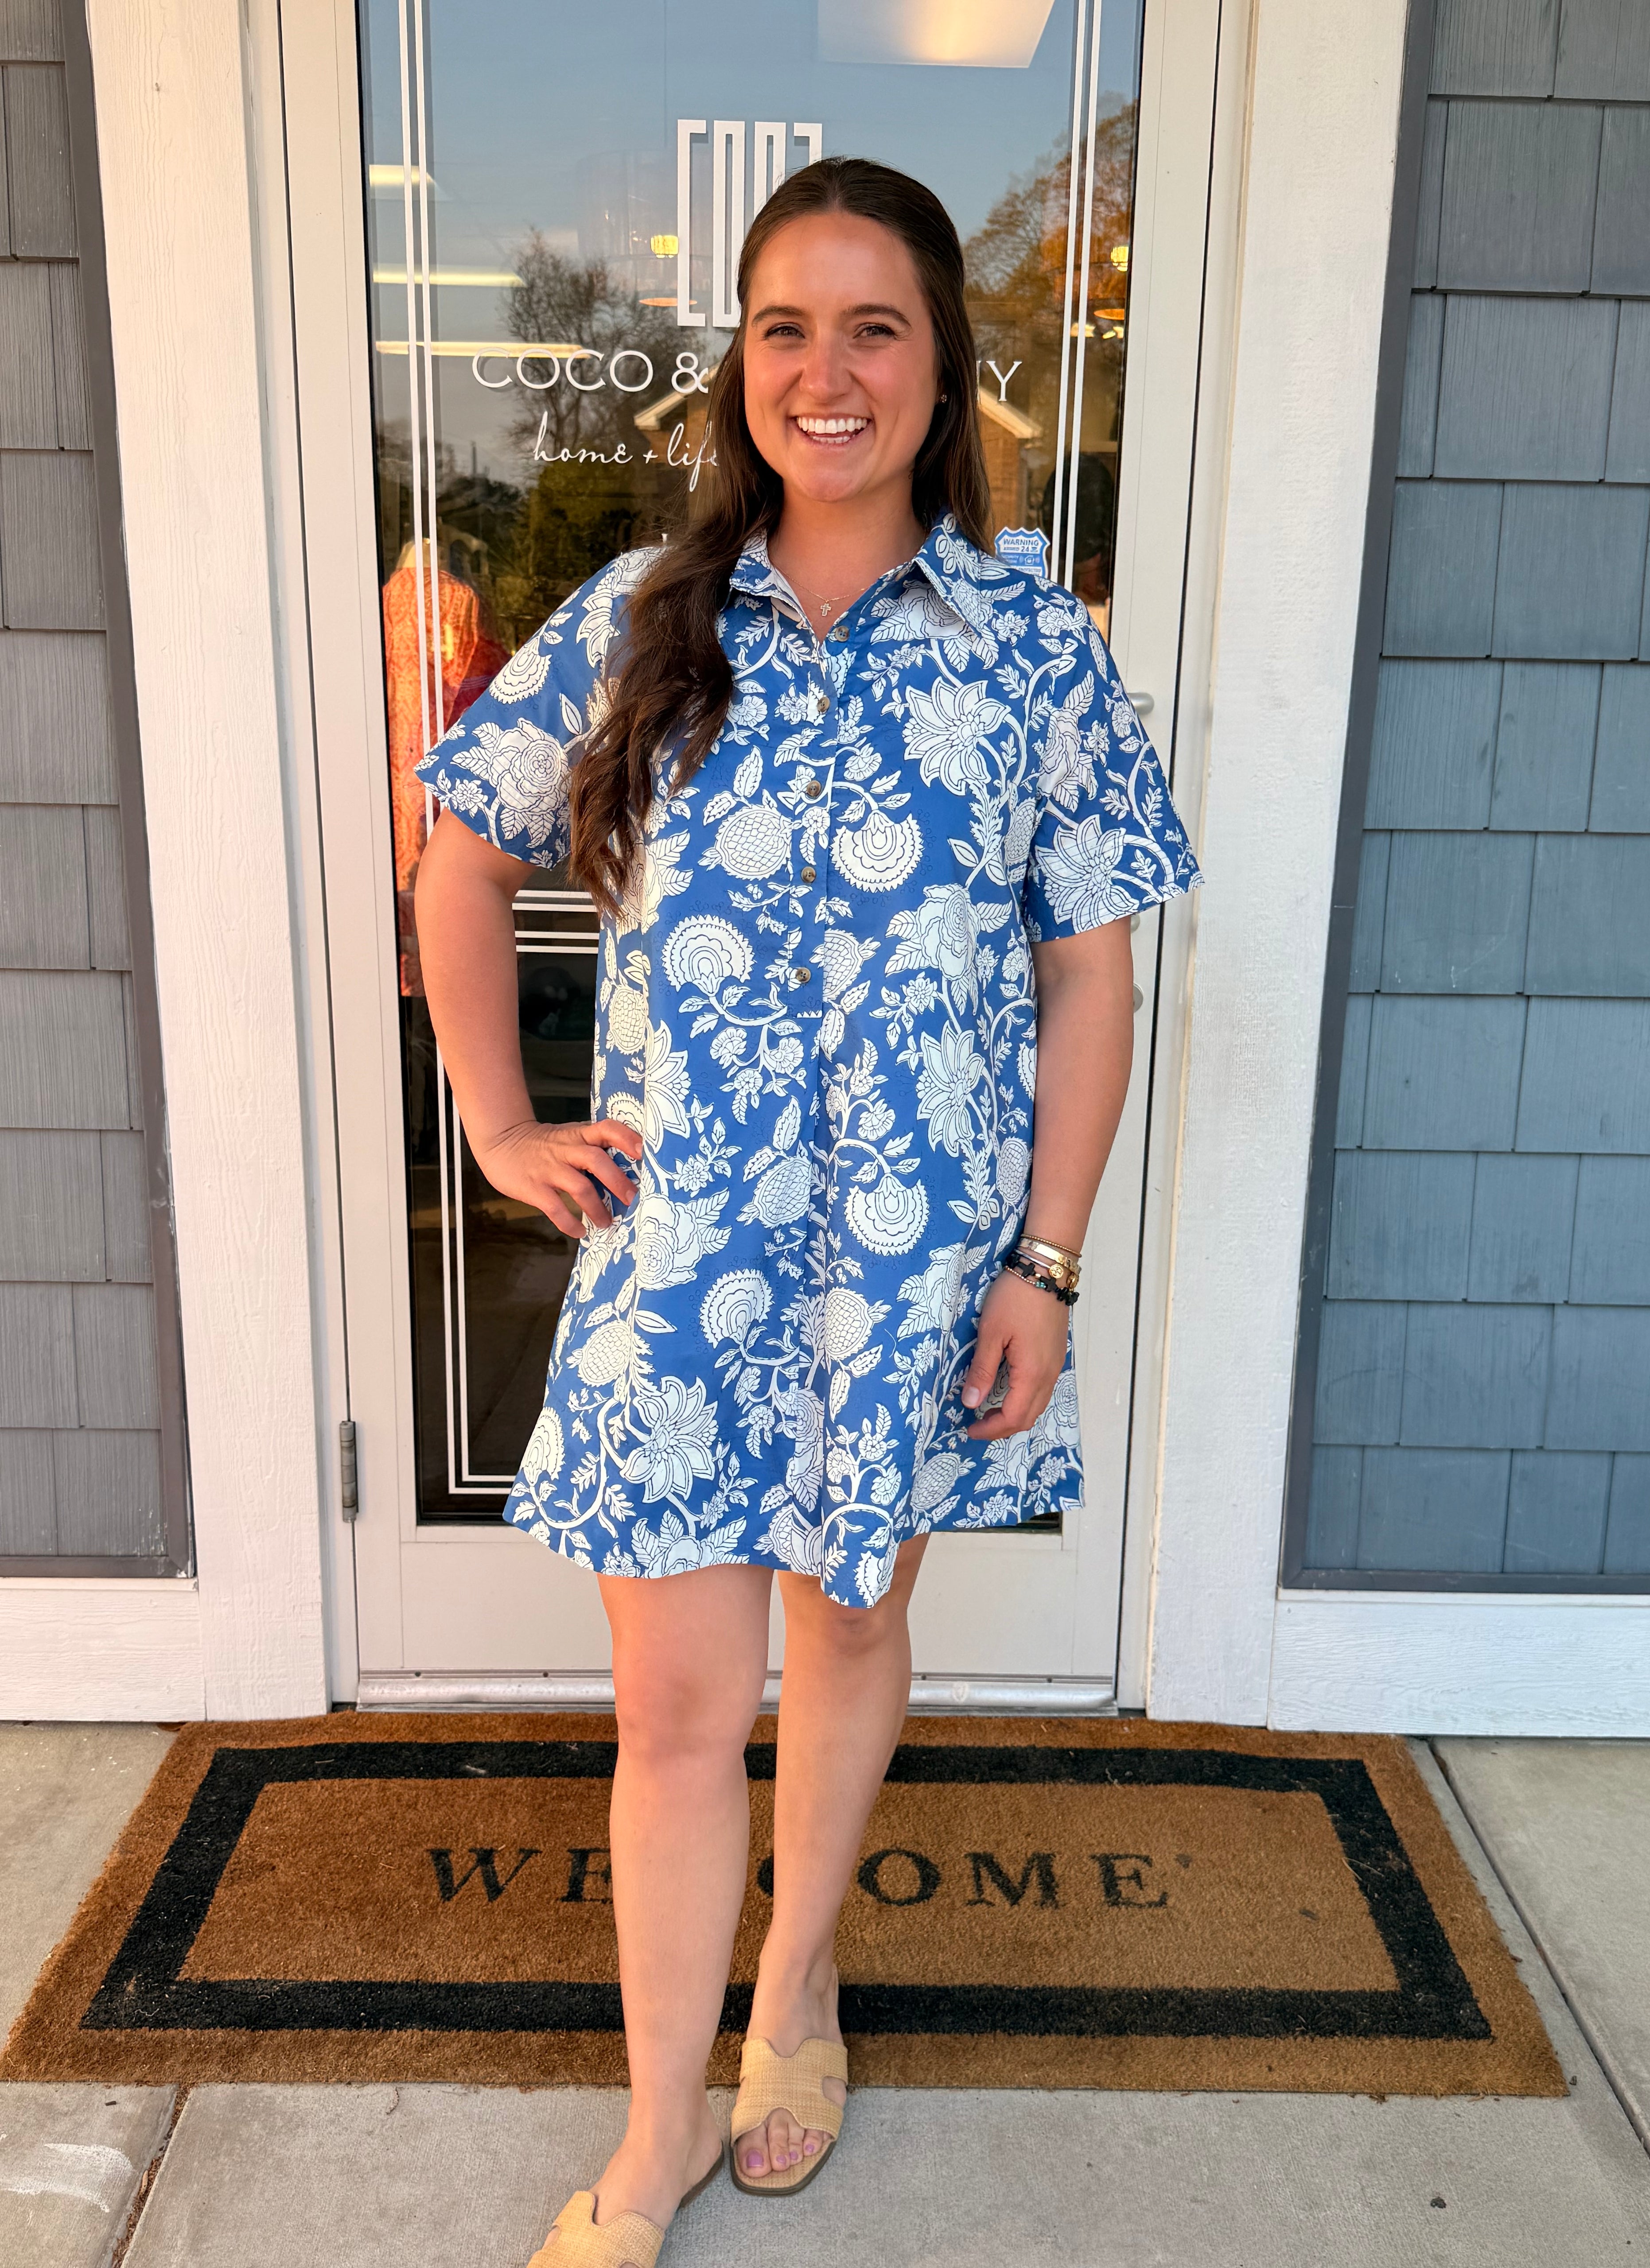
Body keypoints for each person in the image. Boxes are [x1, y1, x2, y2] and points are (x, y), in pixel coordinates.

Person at [413, 155, 1198, 2268]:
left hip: (924, 1271)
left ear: (943, 369)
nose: (824, 372)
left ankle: (797, 1980)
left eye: (875, 327)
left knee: (850, 1628)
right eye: (785, 327)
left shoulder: (1033, 645)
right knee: (676, 1710)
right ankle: (658, 2120)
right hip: (685, 1267)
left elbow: (1094, 971)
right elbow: (461, 852)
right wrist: (498, 1122)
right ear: (738, 366)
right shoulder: (638, 619)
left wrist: (1047, 1257)